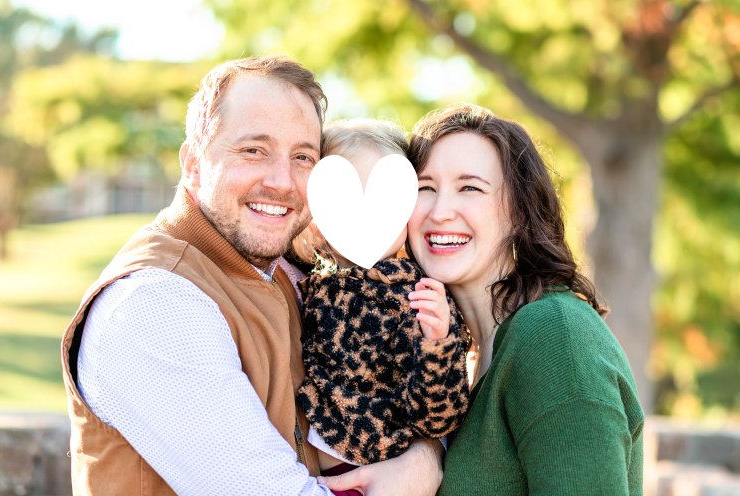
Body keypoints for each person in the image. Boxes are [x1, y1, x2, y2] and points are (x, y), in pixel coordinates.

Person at [60, 56, 443, 496]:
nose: (282, 182)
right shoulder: (154, 304)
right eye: (253, 150)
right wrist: (416, 474)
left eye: (303, 157)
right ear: (193, 164)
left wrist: (425, 452)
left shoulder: (286, 277)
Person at [405, 104, 645, 495]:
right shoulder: (456, 362)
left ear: (519, 212)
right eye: (424, 188)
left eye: (470, 188)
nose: (441, 211)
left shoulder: (553, 335)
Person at [291, 119, 469, 476]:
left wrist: (437, 344)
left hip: (386, 467)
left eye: (387, 202)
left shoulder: (417, 296)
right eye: (344, 202)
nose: (366, 218)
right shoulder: (313, 283)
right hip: (316, 469)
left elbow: (438, 419)